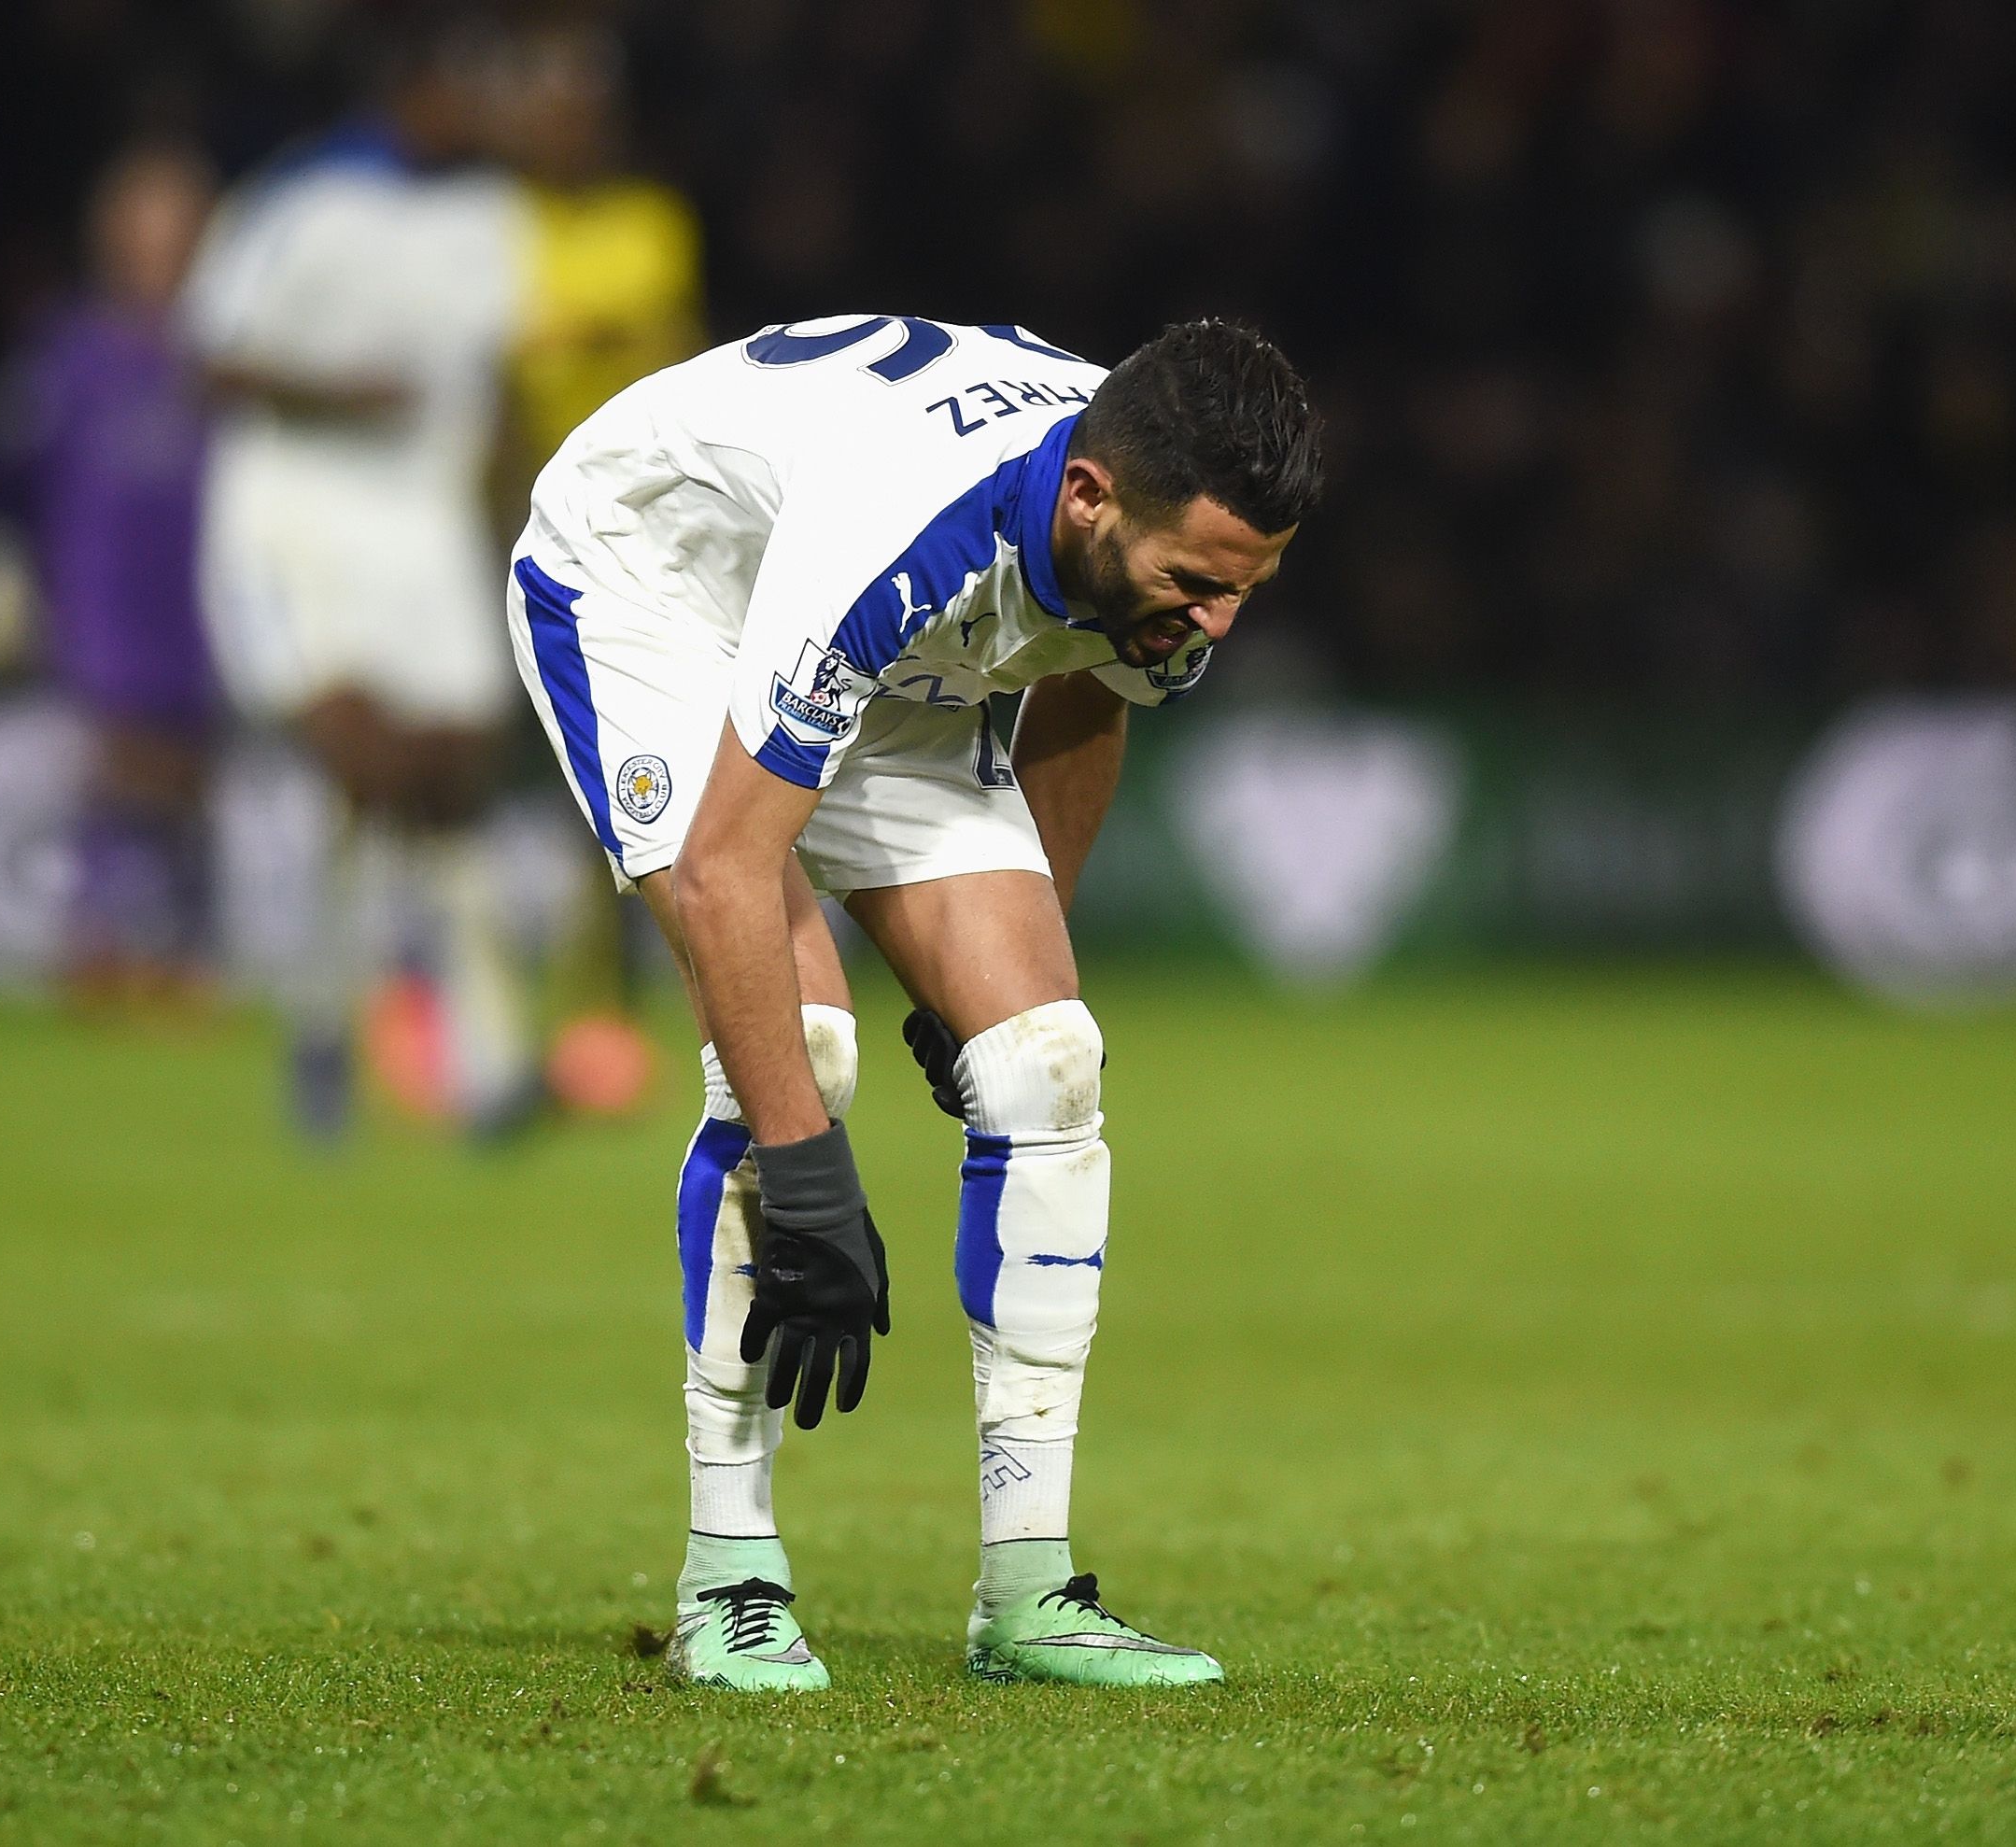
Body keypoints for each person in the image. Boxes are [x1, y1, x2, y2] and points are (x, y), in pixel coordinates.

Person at [507, 315, 1325, 1688]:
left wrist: (975, 1002)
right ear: (1088, 498)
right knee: (802, 1054)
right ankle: (729, 1577)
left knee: (1045, 1060)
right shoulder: (903, 525)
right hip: (657, 586)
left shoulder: (1159, 536)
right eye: (1199, 581)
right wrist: (807, 1169)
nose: (1221, 619)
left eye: (1249, 587)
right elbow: (725, 871)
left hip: (871, 649)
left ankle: (1029, 1590)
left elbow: (1086, 691)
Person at [181, 20, 536, 1138]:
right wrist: (348, 396)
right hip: (300, 513)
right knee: (363, 756)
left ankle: (402, 1043)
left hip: (424, 524)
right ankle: (429, 1050)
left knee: (447, 779)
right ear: (416, 84)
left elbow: (492, 382)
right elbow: (211, 355)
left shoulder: (496, 219)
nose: (492, 100)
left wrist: (518, 509)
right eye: (473, 76)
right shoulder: (300, 201)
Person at [494, 20, 705, 1114]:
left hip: (632, 528)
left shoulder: (648, 222)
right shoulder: (490, 225)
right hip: (501, 518)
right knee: (484, 780)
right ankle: (478, 1008)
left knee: (618, 786)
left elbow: (668, 357)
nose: (563, 124)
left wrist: (555, 344)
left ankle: (602, 1017)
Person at [0, 139, 219, 1002]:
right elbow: (4, 472)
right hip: (102, 595)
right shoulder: (67, 353)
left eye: (178, 229)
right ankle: (109, 941)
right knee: (122, 760)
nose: (162, 250)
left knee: (188, 771)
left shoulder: (230, 354)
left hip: (202, 597)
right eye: (145, 229)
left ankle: (175, 948)